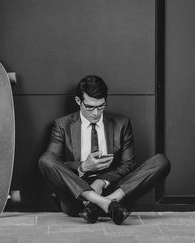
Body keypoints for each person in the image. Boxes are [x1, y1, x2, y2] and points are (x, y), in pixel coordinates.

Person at [39, 75, 170, 225]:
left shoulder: (121, 124)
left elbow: (128, 165)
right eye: (89, 107)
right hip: (78, 196)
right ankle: (106, 205)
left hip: (114, 190)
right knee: (46, 159)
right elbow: (55, 163)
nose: (95, 113)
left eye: (101, 106)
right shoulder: (62, 125)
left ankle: (104, 203)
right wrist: (83, 167)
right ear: (78, 101)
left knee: (161, 161)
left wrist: (102, 182)